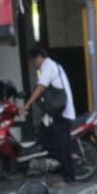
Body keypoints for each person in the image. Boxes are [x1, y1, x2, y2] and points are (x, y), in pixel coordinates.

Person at [21, 45, 77, 184]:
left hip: (63, 113)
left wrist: (27, 105)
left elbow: (41, 87)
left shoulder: (48, 66)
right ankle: (53, 170)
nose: (34, 66)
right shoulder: (51, 66)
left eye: (34, 62)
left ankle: (69, 178)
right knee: (44, 138)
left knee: (62, 146)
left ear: (40, 57)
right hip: (57, 113)